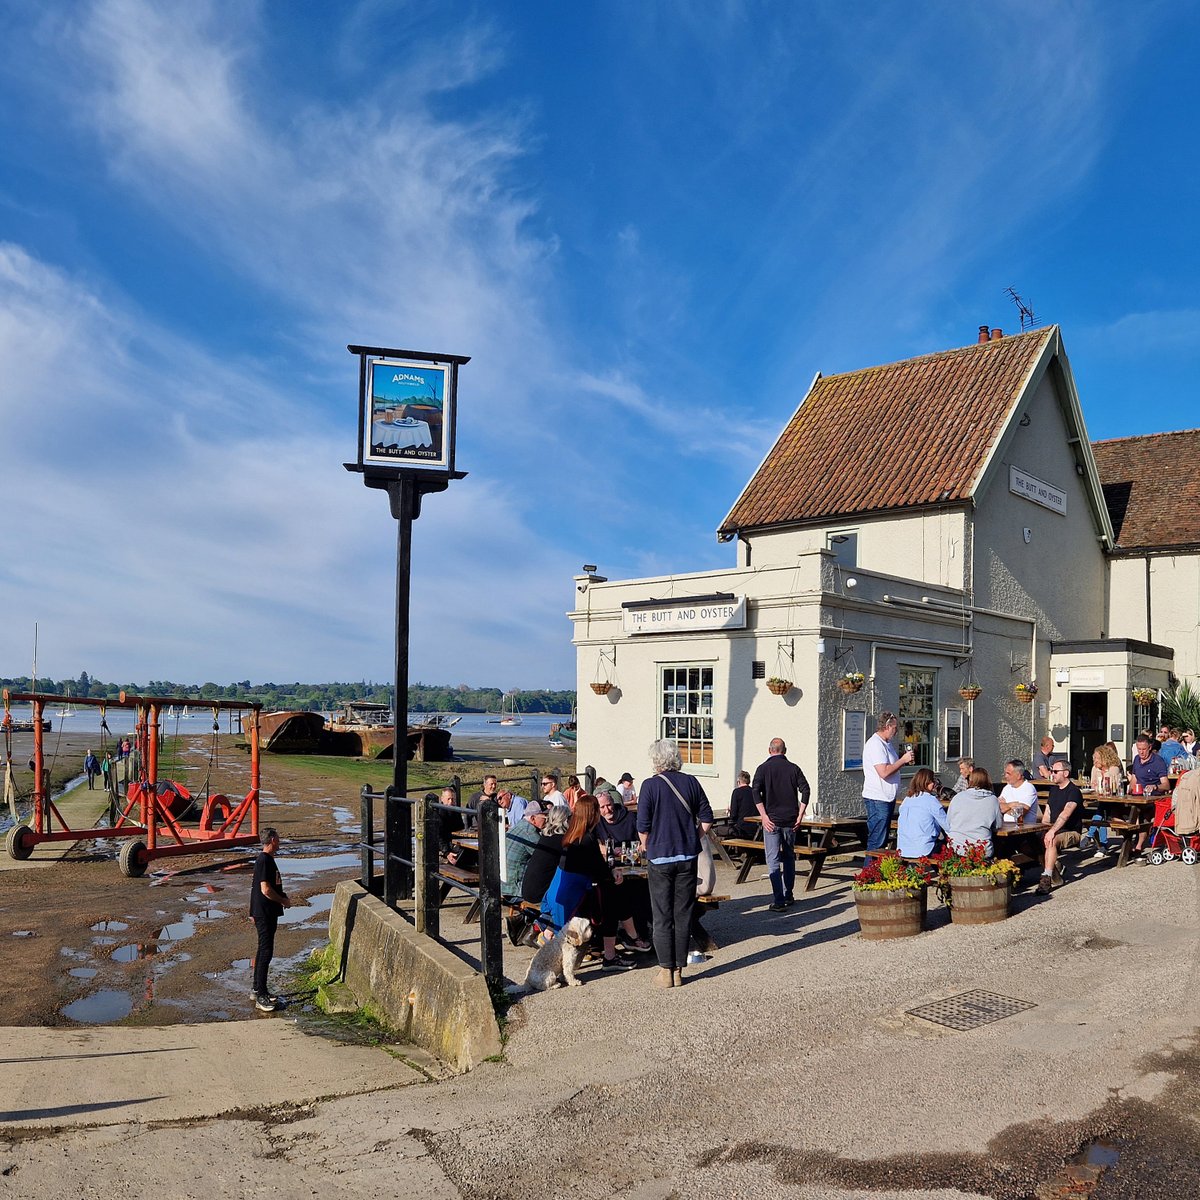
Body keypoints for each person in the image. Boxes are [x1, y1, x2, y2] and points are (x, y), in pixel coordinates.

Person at [637, 739, 714, 989]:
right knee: (683, 914)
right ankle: (679, 970)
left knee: (662, 916)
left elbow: (643, 828)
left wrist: (647, 845)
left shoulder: (650, 786)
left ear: (656, 760)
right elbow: (707, 819)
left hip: (660, 857)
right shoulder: (691, 782)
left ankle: (665, 971)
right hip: (687, 857)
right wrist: (693, 838)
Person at [751, 737, 811, 912]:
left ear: (769, 750)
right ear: (785, 751)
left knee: (773, 860)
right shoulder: (793, 768)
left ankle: (778, 900)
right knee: (789, 857)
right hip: (790, 819)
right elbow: (806, 790)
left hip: (771, 820)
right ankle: (788, 894)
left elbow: (755, 792)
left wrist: (763, 816)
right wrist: (800, 814)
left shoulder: (762, 769)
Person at [861, 712, 914, 859]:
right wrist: (902, 760)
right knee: (877, 839)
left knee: (882, 839)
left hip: (887, 797)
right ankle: (869, 871)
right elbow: (883, 772)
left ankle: (876, 870)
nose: (896, 731)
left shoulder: (887, 744)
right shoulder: (875, 744)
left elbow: (891, 767)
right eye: (895, 728)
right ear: (887, 726)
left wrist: (903, 761)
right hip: (878, 798)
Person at [250, 827, 291, 1012]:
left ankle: (257, 988)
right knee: (266, 951)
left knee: (262, 949)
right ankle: (261, 996)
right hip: (265, 912)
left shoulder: (265, 860)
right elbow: (265, 889)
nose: (280, 841)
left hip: (263, 911)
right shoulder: (264, 860)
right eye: (278, 838)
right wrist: (282, 900)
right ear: (273, 839)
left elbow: (258, 888)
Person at [1037, 762, 1084, 894]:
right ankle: (1057, 867)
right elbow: (1047, 813)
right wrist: (1044, 830)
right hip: (1054, 829)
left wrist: (1052, 831)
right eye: (1051, 771)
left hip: (1071, 831)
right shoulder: (1053, 790)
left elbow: (1066, 814)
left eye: (1055, 771)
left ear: (1066, 773)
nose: (1052, 774)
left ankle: (1046, 879)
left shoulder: (1074, 791)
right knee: (1032, 840)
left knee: (1051, 840)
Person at [947, 767, 1003, 857]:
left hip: (956, 847)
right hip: (981, 849)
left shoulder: (957, 797)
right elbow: (998, 825)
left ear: (970, 780)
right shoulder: (993, 800)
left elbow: (949, 822)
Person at [1082, 744, 1123, 858]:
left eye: (1097, 758)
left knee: (1101, 811)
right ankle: (1102, 846)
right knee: (1101, 812)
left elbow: (1113, 787)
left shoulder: (1114, 768)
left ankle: (1091, 836)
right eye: (1094, 758)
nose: (1094, 761)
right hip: (1102, 800)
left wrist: (1101, 785)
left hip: (1115, 802)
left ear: (1104, 757)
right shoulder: (1095, 769)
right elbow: (1093, 785)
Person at [896, 768, 949, 857]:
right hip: (924, 849)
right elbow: (947, 825)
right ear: (927, 782)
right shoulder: (931, 800)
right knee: (946, 846)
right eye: (933, 781)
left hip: (903, 849)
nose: (934, 784)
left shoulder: (907, 800)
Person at [503, 800, 547, 899]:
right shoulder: (529, 832)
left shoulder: (520, 826)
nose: (547, 821)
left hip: (505, 885)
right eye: (545, 817)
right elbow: (545, 858)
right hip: (515, 890)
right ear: (533, 818)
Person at [998, 759, 1039, 826]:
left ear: (1018, 776)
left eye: (1008, 773)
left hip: (1023, 829)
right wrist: (1010, 805)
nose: (1005, 776)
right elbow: (996, 808)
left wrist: (1004, 806)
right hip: (1005, 827)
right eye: (1005, 773)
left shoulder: (1028, 788)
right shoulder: (1006, 788)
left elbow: (1020, 813)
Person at [722, 770, 757, 838]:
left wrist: (729, 811)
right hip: (755, 829)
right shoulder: (754, 792)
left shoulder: (737, 792)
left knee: (721, 832)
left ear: (738, 782)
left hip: (742, 829)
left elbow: (733, 815)